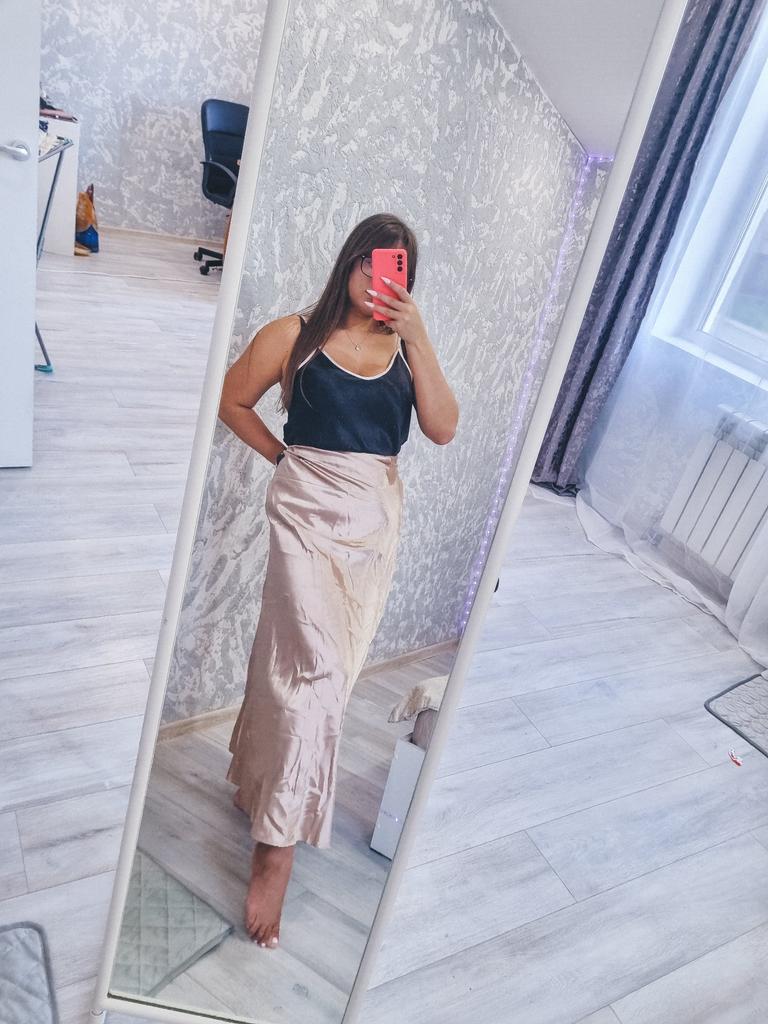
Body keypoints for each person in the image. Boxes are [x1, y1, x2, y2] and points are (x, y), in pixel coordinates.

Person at [217, 212, 459, 949]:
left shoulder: (406, 350)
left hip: (371, 532)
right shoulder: (292, 336)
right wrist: (282, 459)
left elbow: (443, 427)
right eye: (371, 263)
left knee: (306, 671)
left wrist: (419, 335)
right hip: (303, 517)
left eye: (396, 269)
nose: (380, 278)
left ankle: (259, 784)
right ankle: (275, 848)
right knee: (314, 677)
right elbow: (232, 399)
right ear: (350, 262)